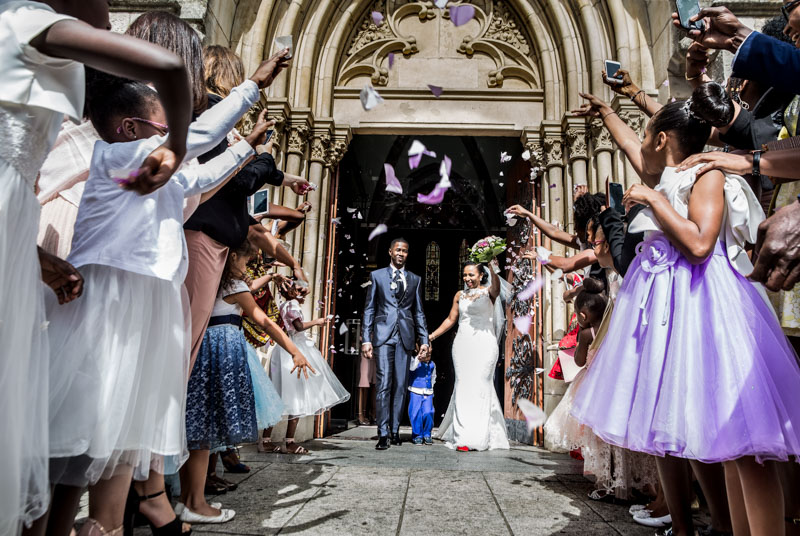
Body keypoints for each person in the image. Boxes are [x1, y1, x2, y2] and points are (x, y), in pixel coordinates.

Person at [570, 82, 800, 536]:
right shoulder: (671, 175)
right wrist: (605, 113)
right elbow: (634, 148)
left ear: (662, 140)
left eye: (646, 138)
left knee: (742, 441)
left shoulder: (705, 175)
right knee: (714, 438)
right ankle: (721, 526)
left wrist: (654, 200)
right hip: (672, 310)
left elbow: (699, 243)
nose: (638, 150)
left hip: (710, 308)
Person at [181, 240, 311, 523]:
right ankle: (194, 499)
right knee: (210, 424)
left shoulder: (206, 280)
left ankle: (191, 492)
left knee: (199, 423)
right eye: (245, 262)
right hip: (222, 354)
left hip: (199, 350)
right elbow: (264, 321)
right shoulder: (234, 287)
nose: (248, 268)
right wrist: (295, 350)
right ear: (232, 258)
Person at [429, 259, 510, 452]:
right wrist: (431, 336)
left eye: (471, 275)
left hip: (484, 344)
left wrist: (493, 268)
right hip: (463, 344)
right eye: (465, 275)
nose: (467, 279)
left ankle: (480, 435)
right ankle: (463, 436)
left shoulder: (489, 292)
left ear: (481, 275)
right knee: (463, 386)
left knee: (482, 385)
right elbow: (451, 319)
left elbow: (497, 289)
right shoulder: (460, 295)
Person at [265, 280, 350, 454]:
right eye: (300, 291)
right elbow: (298, 326)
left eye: (304, 292)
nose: (303, 295)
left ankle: (267, 440)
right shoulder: (292, 305)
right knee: (296, 396)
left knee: (280, 395)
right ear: (290, 292)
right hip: (292, 351)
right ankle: (289, 442)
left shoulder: (285, 305)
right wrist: (317, 321)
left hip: (284, 350)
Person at [361, 238, 430, 450]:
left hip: (405, 337)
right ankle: (382, 433)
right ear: (390, 252)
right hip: (383, 336)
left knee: (400, 385)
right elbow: (370, 308)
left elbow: (418, 311)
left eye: (405, 251)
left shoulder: (415, 279)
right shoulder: (377, 276)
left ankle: (394, 430)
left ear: (408, 254)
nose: (401, 253)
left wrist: (424, 339)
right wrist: (366, 338)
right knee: (383, 384)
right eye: (398, 250)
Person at [407, 353, 436, 446]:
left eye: (430, 353)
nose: (428, 355)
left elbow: (433, 376)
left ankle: (427, 433)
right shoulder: (414, 360)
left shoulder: (432, 364)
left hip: (428, 391)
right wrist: (418, 359)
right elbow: (411, 368)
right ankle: (417, 435)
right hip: (415, 390)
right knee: (415, 413)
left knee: (428, 412)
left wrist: (431, 387)